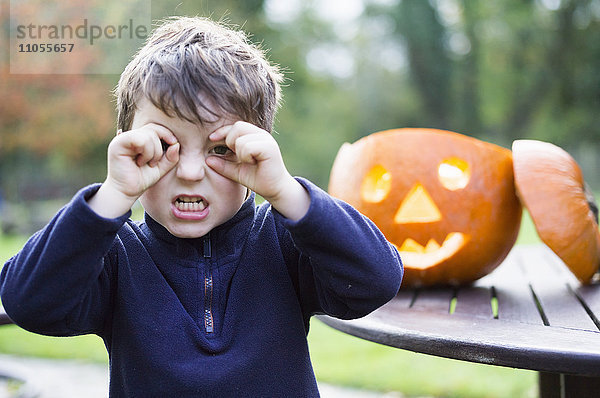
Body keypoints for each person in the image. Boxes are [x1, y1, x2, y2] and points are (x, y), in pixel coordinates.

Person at [0, 16, 402, 397]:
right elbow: (29, 302)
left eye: (220, 148)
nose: (191, 172)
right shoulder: (116, 257)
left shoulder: (283, 242)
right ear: (129, 147)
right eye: (162, 146)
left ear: (256, 151)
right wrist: (111, 196)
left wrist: (285, 192)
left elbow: (376, 280)